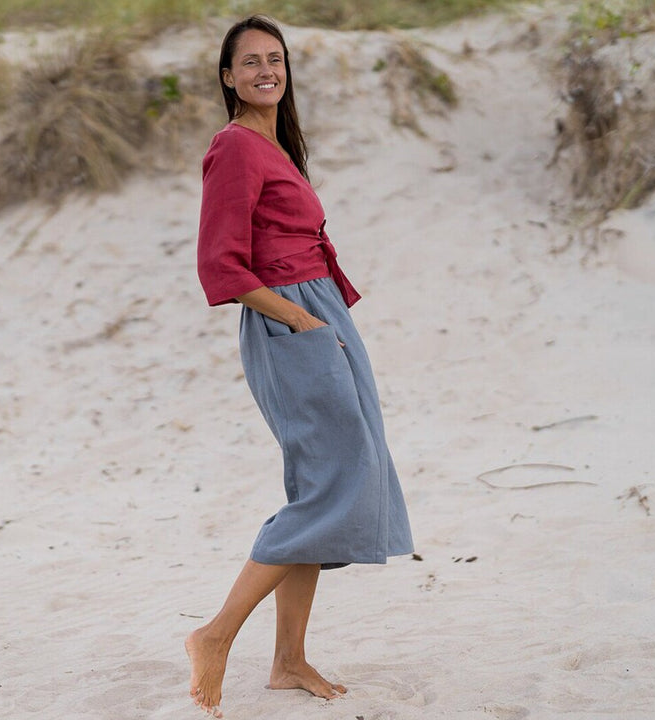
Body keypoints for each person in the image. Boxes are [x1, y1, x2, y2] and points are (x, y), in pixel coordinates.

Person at [186, 15, 413, 717]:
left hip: (318, 316)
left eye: (275, 59)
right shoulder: (234, 147)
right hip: (292, 324)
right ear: (227, 77)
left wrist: (323, 316)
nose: (265, 70)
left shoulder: (273, 144)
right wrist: (301, 319)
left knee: (327, 479)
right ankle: (216, 634)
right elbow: (218, 265)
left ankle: (287, 661)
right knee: (334, 484)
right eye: (249, 61)